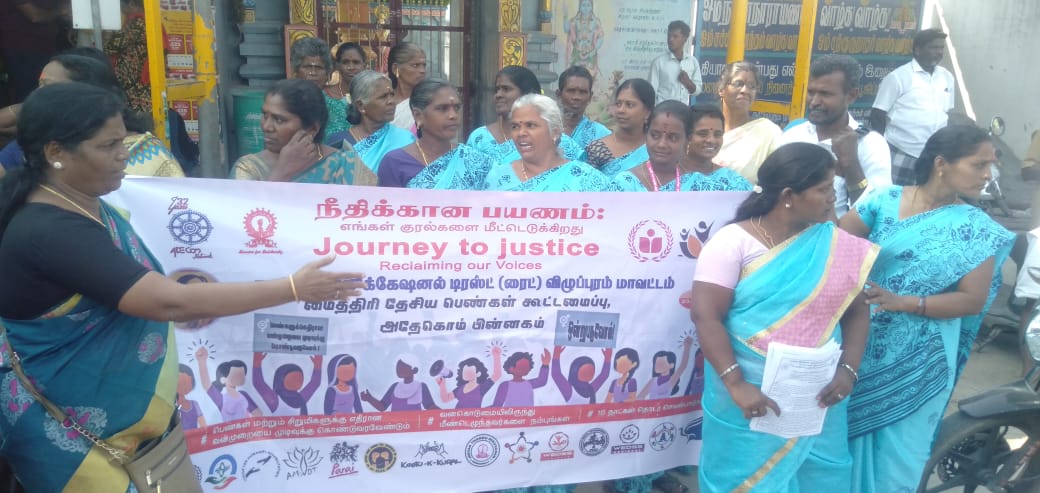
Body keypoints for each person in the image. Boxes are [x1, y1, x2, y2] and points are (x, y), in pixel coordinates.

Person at [0, 82, 366, 492]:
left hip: (124, 431)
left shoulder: (88, 206)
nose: (124, 155)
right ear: (56, 152)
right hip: (70, 436)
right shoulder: (48, 231)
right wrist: (294, 288)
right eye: (108, 146)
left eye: (123, 140)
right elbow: (169, 302)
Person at [692, 142, 876, 491]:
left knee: (820, 477)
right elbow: (705, 316)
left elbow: (857, 311)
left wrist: (848, 371)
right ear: (789, 195)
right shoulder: (733, 242)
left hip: (819, 399)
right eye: (823, 189)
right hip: (749, 399)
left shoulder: (834, 244)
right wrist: (737, 384)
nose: (831, 198)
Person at [840, 125, 1016, 492]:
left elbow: (972, 299)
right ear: (941, 164)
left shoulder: (977, 228)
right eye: (979, 164)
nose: (988, 175)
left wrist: (905, 302)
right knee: (841, 446)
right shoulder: (883, 200)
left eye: (991, 166)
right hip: (859, 345)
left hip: (922, 361)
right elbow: (834, 247)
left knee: (897, 461)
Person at [2, 54, 186, 177]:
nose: (122, 155)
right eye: (39, 86)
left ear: (88, 93)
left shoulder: (147, 153)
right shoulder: (35, 145)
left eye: (48, 87)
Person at [777, 54, 891, 218]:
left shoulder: (871, 145)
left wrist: (851, 164)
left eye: (825, 94)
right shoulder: (792, 136)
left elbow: (879, 213)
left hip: (841, 233)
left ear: (851, 96)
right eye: (811, 92)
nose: (814, 101)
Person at [231, 79, 375, 184]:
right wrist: (282, 172)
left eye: (279, 120)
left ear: (312, 128)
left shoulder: (345, 164)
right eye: (264, 115)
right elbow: (245, 213)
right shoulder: (249, 168)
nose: (266, 126)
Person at [869, 28, 955, 186]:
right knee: (897, 197)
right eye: (933, 47)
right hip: (902, 151)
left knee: (924, 197)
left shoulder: (946, 77)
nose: (938, 52)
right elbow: (877, 114)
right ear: (917, 50)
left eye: (941, 48)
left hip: (933, 154)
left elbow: (947, 112)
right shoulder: (898, 77)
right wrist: (882, 148)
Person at [379, 79, 495, 189]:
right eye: (442, 108)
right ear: (418, 115)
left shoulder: (476, 161)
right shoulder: (394, 163)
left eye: (456, 108)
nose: (453, 115)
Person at [483, 94, 612, 192]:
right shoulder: (498, 176)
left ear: (554, 132)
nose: (521, 133)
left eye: (530, 125)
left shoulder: (583, 178)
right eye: (515, 127)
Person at [467, 66, 583, 164]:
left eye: (506, 89)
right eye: (497, 90)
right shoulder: (479, 139)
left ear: (528, 94)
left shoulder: (560, 141)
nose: (498, 95)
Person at [326, 70, 415, 173]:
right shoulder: (338, 142)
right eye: (383, 97)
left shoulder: (405, 139)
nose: (391, 101)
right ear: (361, 105)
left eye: (392, 94)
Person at [712, 61, 781, 183]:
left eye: (751, 86)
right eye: (738, 84)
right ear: (721, 90)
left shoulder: (768, 132)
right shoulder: (706, 130)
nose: (745, 90)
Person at [0, 0, 70, 102]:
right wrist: (61, 11)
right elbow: (35, 16)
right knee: (30, 93)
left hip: (46, 46)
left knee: (47, 89)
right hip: (23, 50)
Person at [584, 79, 654, 177]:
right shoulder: (597, 149)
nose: (621, 110)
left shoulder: (657, 149)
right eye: (618, 104)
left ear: (647, 113)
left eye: (629, 105)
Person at [678, 104, 753, 191]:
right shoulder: (669, 174)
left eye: (717, 134)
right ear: (687, 136)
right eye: (703, 134)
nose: (711, 140)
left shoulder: (733, 181)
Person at [103, 0, 151, 114]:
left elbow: (112, 47)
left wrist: (107, 35)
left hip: (135, 81)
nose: (122, 11)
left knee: (136, 116)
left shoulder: (137, 21)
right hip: (139, 81)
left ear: (131, 4)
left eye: (122, 7)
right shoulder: (147, 20)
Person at [647, 20, 702, 105]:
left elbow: (697, 91)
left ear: (685, 39)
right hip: (663, 110)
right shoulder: (658, 63)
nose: (670, 39)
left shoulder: (692, 62)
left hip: (683, 110)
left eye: (675, 36)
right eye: (669, 36)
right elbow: (651, 92)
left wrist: (688, 82)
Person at [556, 65, 610, 150]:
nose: (576, 97)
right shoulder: (546, 129)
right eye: (571, 91)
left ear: (590, 97)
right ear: (559, 94)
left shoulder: (601, 134)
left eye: (582, 92)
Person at [324, 42, 366, 138]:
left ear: (364, 65)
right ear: (337, 66)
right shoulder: (324, 96)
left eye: (356, 62)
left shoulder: (372, 95)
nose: (351, 67)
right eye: (345, 62)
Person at [387, 42, 427, 132]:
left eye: (424, 65)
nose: (422, 71)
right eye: (415, 65)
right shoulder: (384, 101)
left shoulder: (427, 102)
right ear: (395, 69)